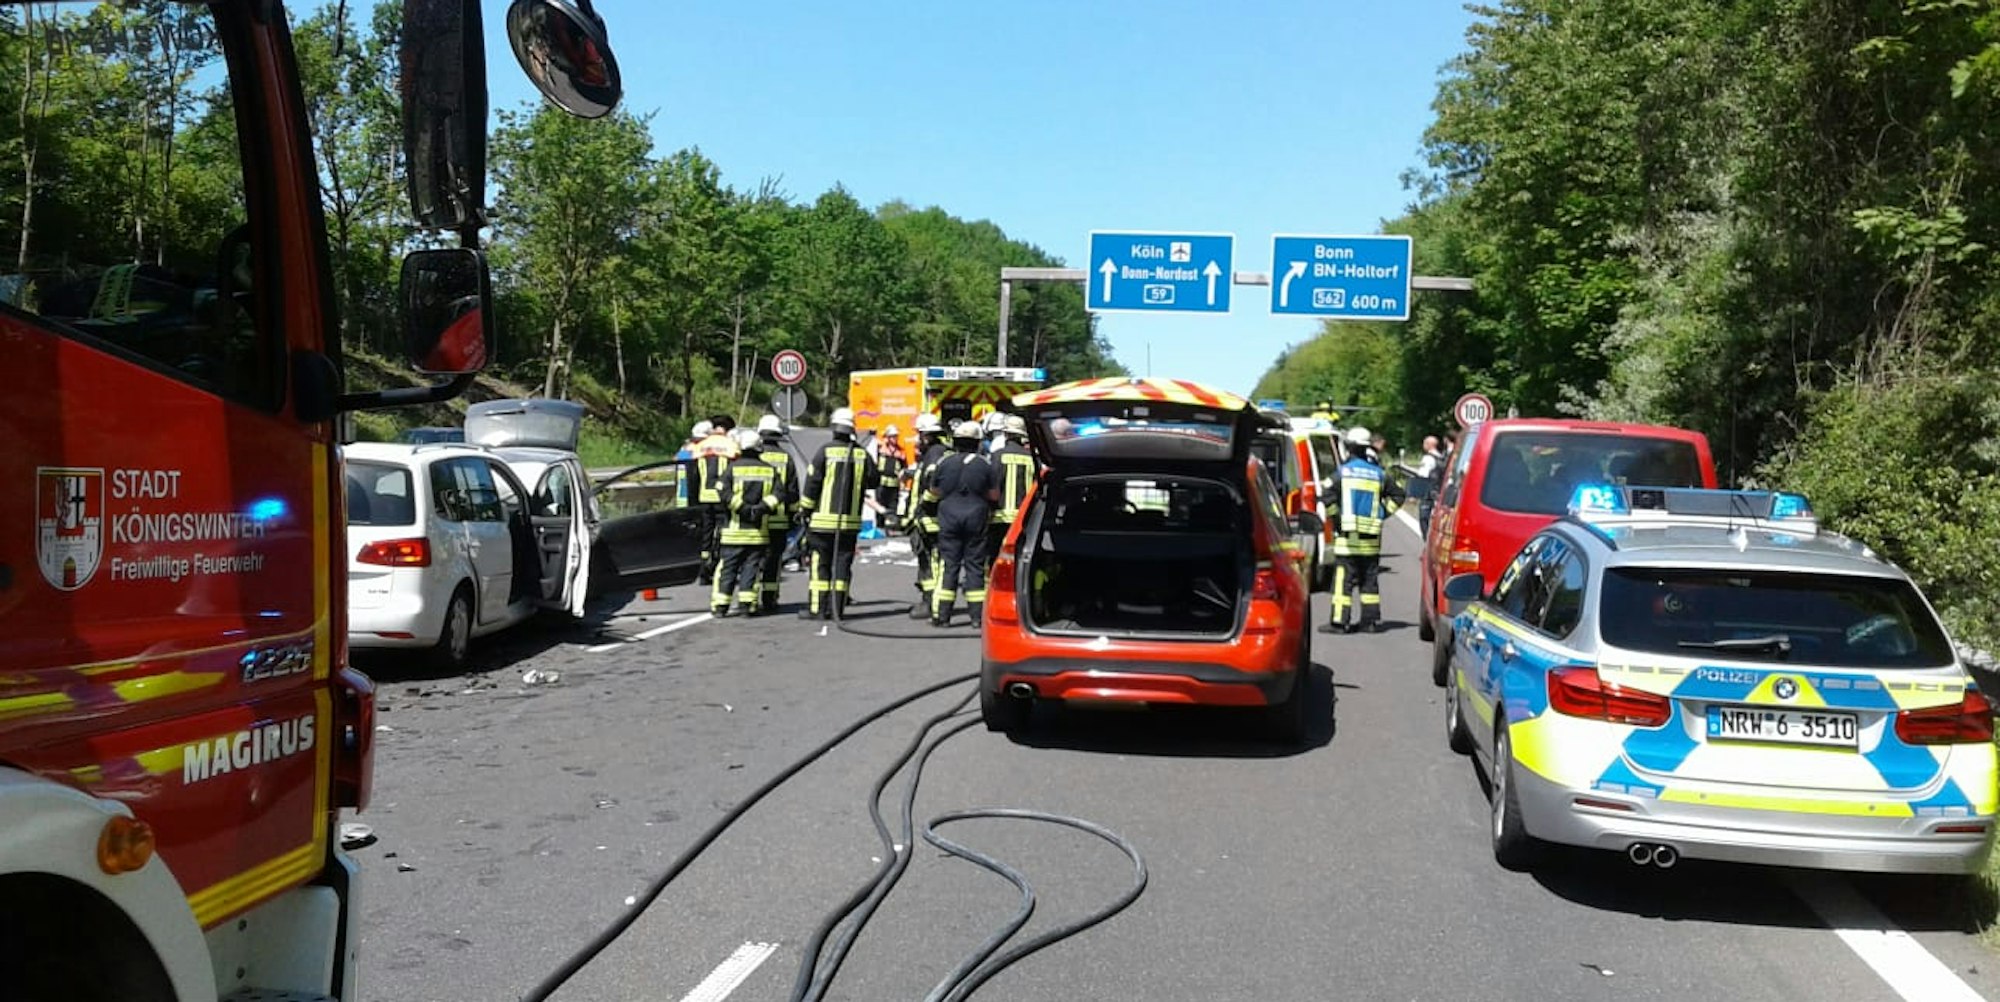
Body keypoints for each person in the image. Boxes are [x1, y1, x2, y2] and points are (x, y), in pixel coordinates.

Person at [798, 408, 877, 620]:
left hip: (822, 523)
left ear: (834, 429)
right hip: (849, 525)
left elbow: (812, 484)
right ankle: (837, 609)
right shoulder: (861, 453)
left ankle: (817, 608)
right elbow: (875, 480)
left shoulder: (825, 452)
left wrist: (804, 509)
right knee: (842, 566)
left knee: (820, 565)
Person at [1326, 425, 1404, 634]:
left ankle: (1339, 623)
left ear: (1350, 447)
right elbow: (1399, 495)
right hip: (1371, 540)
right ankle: (1369, 622)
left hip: (1347, 541)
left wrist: (1337, 517)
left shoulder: (1342, 472)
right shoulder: (1379, 474)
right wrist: (1381, 513)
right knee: (1369, 583)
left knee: (1344, 583)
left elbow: (1326, 497)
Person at [927, 420, 997, 627]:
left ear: (956, 441)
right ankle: (977, 617)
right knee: (975, 566)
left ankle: (942, 616)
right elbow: (994, 494)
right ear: (977, 442)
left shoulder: (944, 463)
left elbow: (934, 490)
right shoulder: (985, 464)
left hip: (949, 518)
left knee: (949, 566)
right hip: (976, 519)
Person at [710, 429, 781, 618]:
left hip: (733, 532)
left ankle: (720, 606)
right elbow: (779, 494)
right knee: (752, 569)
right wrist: (760, 509)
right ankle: (746, 606)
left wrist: (741, 507)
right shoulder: (769, 470)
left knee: (727, 570)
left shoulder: (732, 469)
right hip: (758, 534)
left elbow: (721, 489)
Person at [902, 413, 949, 618]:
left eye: (920, 435)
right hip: (935, 518)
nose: (918, 440)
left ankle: (931, 603)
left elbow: (933, 485)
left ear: (927, 436)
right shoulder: (941, 452)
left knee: (931, 562)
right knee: (931, 561)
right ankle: (930, 601)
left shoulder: (934, 455)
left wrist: (922, 507)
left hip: (931, 519)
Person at [755, 414, 799, 612]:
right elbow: (792, 492)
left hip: (754, 519)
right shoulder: (786, 458)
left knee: (753, 559)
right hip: (778, 520)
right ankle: (769, 598)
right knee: (774, 560)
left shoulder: (752, 456)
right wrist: (792, 515)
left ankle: (749, 599)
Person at [690, 416, 740, 586]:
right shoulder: (731, 445)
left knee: (706, 534)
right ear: (727, 429)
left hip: (704, 497)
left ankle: (704, 569)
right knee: (724, 533)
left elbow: (694, 475)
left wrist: (693, 500)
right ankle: (719, 567)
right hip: (722, 497)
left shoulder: (700, 446)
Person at [985, 414, 1036, 576]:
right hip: (1023, 520)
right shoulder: (1031, 458)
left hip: (999, 519)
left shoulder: (997, 455)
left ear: (1005, 434)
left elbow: (991, 486)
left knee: (995, 559)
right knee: (1018, 560)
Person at [874, 425, 906, 530]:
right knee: (880, 505)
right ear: (887, 437)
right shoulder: (880, 450)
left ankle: (891, 526)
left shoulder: (900, 452)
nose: (894, 439)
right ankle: (879, 526)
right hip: (881, 483)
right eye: (892, 436)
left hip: (894, 483)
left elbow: (903, 468)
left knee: (893, 506)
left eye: (896, 436)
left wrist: (902, 483)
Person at [1415, 434, 1447, 537]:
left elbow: (1422, 476)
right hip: (1440, 492)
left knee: (1424, 520)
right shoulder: (1442, 457)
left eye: (1424, 443)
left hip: (1428, 494)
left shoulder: (1428, 458)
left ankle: (1427, 543)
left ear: (1429, 445)